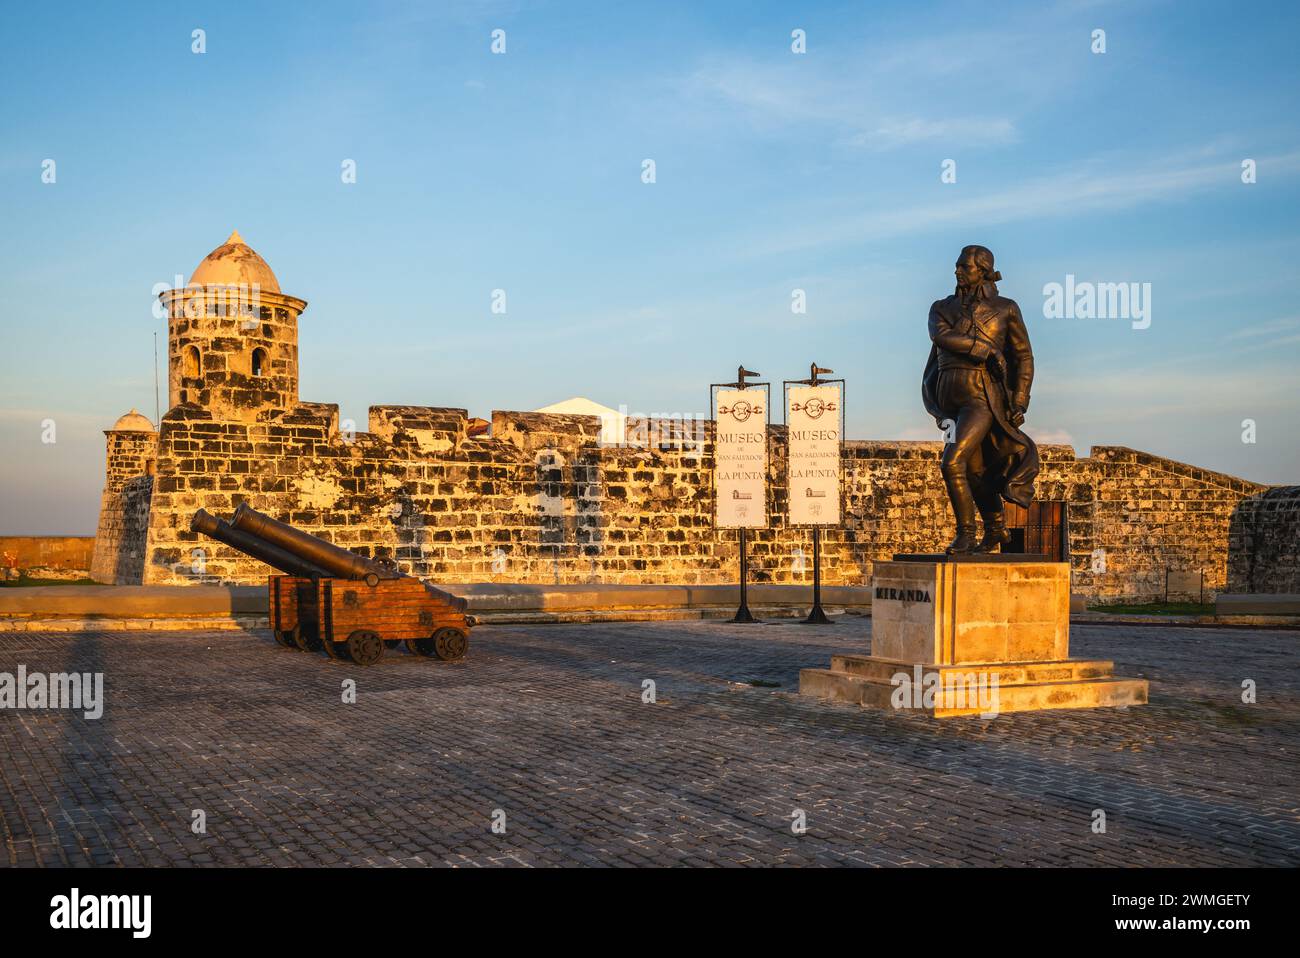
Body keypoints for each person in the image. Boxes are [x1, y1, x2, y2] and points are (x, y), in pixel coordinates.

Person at [921, 245, 1040, 554]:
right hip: (948, 402)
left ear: (983, 271)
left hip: (981, 397)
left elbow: (1024, 357)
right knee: (973, 471)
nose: (958, 271)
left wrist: (1020, 401)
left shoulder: (1005, 309)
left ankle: (965, 533)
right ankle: (996, 527)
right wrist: (985, 350)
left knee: (952, 463)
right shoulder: (941, 308)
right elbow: (941, 336)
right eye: (957, 266)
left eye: (965, 267)